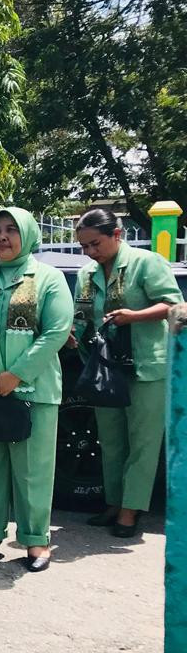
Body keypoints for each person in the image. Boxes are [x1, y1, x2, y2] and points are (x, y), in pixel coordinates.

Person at [0, 207, 73, 571]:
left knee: (34, 469)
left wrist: (16, 374)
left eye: (11, 229)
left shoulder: (48, 277)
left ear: (28, 234)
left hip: (35, 389)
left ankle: (36, 541)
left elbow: (56, 331)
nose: (2, 236)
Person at [71, 207, 183, 537]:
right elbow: (82, 314)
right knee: (111, 440)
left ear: (116, 235)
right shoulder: (86, 274)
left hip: (147, 365)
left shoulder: (146, 264)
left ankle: (131, 510)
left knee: (143, 442)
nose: (90, 252)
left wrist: (133, 316)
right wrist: (71, 332)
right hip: (105, 368)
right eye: (84, 247)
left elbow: (173, 305)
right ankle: (114, 502)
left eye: (95, 244)